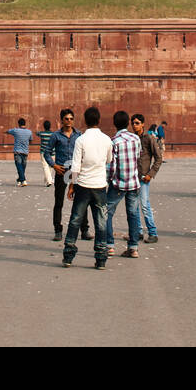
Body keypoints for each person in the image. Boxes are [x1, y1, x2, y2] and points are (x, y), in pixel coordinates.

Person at [61, 106, 113, 269]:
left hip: (83, 185)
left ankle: (68, 256)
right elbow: (109, 160)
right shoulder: (106, 140)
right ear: (98, 121)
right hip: (99, 186)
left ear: (85, 121)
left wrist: (71, 186)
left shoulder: (81, 140)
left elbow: (75, 166)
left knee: (75, 220)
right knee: (101, 223)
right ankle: (101, 259)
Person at [43, 108, 88, 241]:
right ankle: (58, 230)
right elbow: (47, 152)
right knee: (59, 201)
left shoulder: (79, 135)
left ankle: (84, 230)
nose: (69, 121)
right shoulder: (56, 136)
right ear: (61, 120)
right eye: (66, 119)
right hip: (61, 169)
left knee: (81, 200)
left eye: (71, 119)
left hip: (75, 170)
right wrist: (54, 165)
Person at [103, 110, 142, 259]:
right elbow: (138, 157)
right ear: (128, 123)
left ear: (114, 123)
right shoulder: (135, 139)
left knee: (106, 213)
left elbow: (111, 166)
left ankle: (110, 246)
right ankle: (133, 248)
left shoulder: (114, 141)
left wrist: (107, 181)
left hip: (118, 183)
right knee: (132, 215)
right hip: (133, 182)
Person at [133, 113, 162, 244]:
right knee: (134, 206)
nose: (135, 126)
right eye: (133, 123)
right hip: (133, 177)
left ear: (143, 124)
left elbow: (158, 158)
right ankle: (138, 232)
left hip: (144, 177)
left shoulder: (149, 138)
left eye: (137, 123)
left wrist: (151, 174)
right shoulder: (132, 139)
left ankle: (152, 232)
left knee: (144, 205)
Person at [4, 118, 33, 186]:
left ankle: (23, 180)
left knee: (19, 166)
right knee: (22, 167)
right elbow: (31, 141)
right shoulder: (29, 132)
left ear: (19, 124)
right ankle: (19, 180)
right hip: (25, 151)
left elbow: (8, 131)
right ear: (25, 123)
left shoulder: (16, 130)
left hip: (17, 151)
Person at [37, 120, 55, 187]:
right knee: (51, 165)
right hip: (52, 152)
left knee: (45, 166)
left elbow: (36, 132)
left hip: (43, 152)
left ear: (44, 127)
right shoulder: (53, 134)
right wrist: (58, 126)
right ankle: (48, 180)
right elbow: (59, 133)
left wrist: (37, 126)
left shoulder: (42, 133)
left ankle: (49, 180)